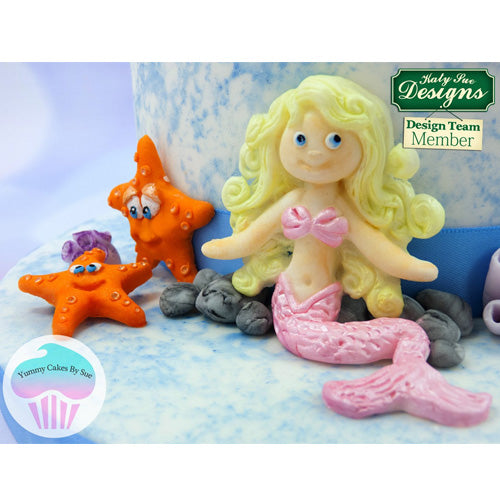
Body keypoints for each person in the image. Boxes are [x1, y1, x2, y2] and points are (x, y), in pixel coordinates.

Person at [202, 75, 490, 426]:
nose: (315, 152)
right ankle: (403, 378)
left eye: (335, 139)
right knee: (406, 332)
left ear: (365, 146)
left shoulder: (342, 209)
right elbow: (250, 238)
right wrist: (221, 245)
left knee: (409, 332)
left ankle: (404, 379)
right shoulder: (292, 200)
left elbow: (377, 248)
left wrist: (414, 267)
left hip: (320, 308)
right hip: (286, 303)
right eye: (301, 139)